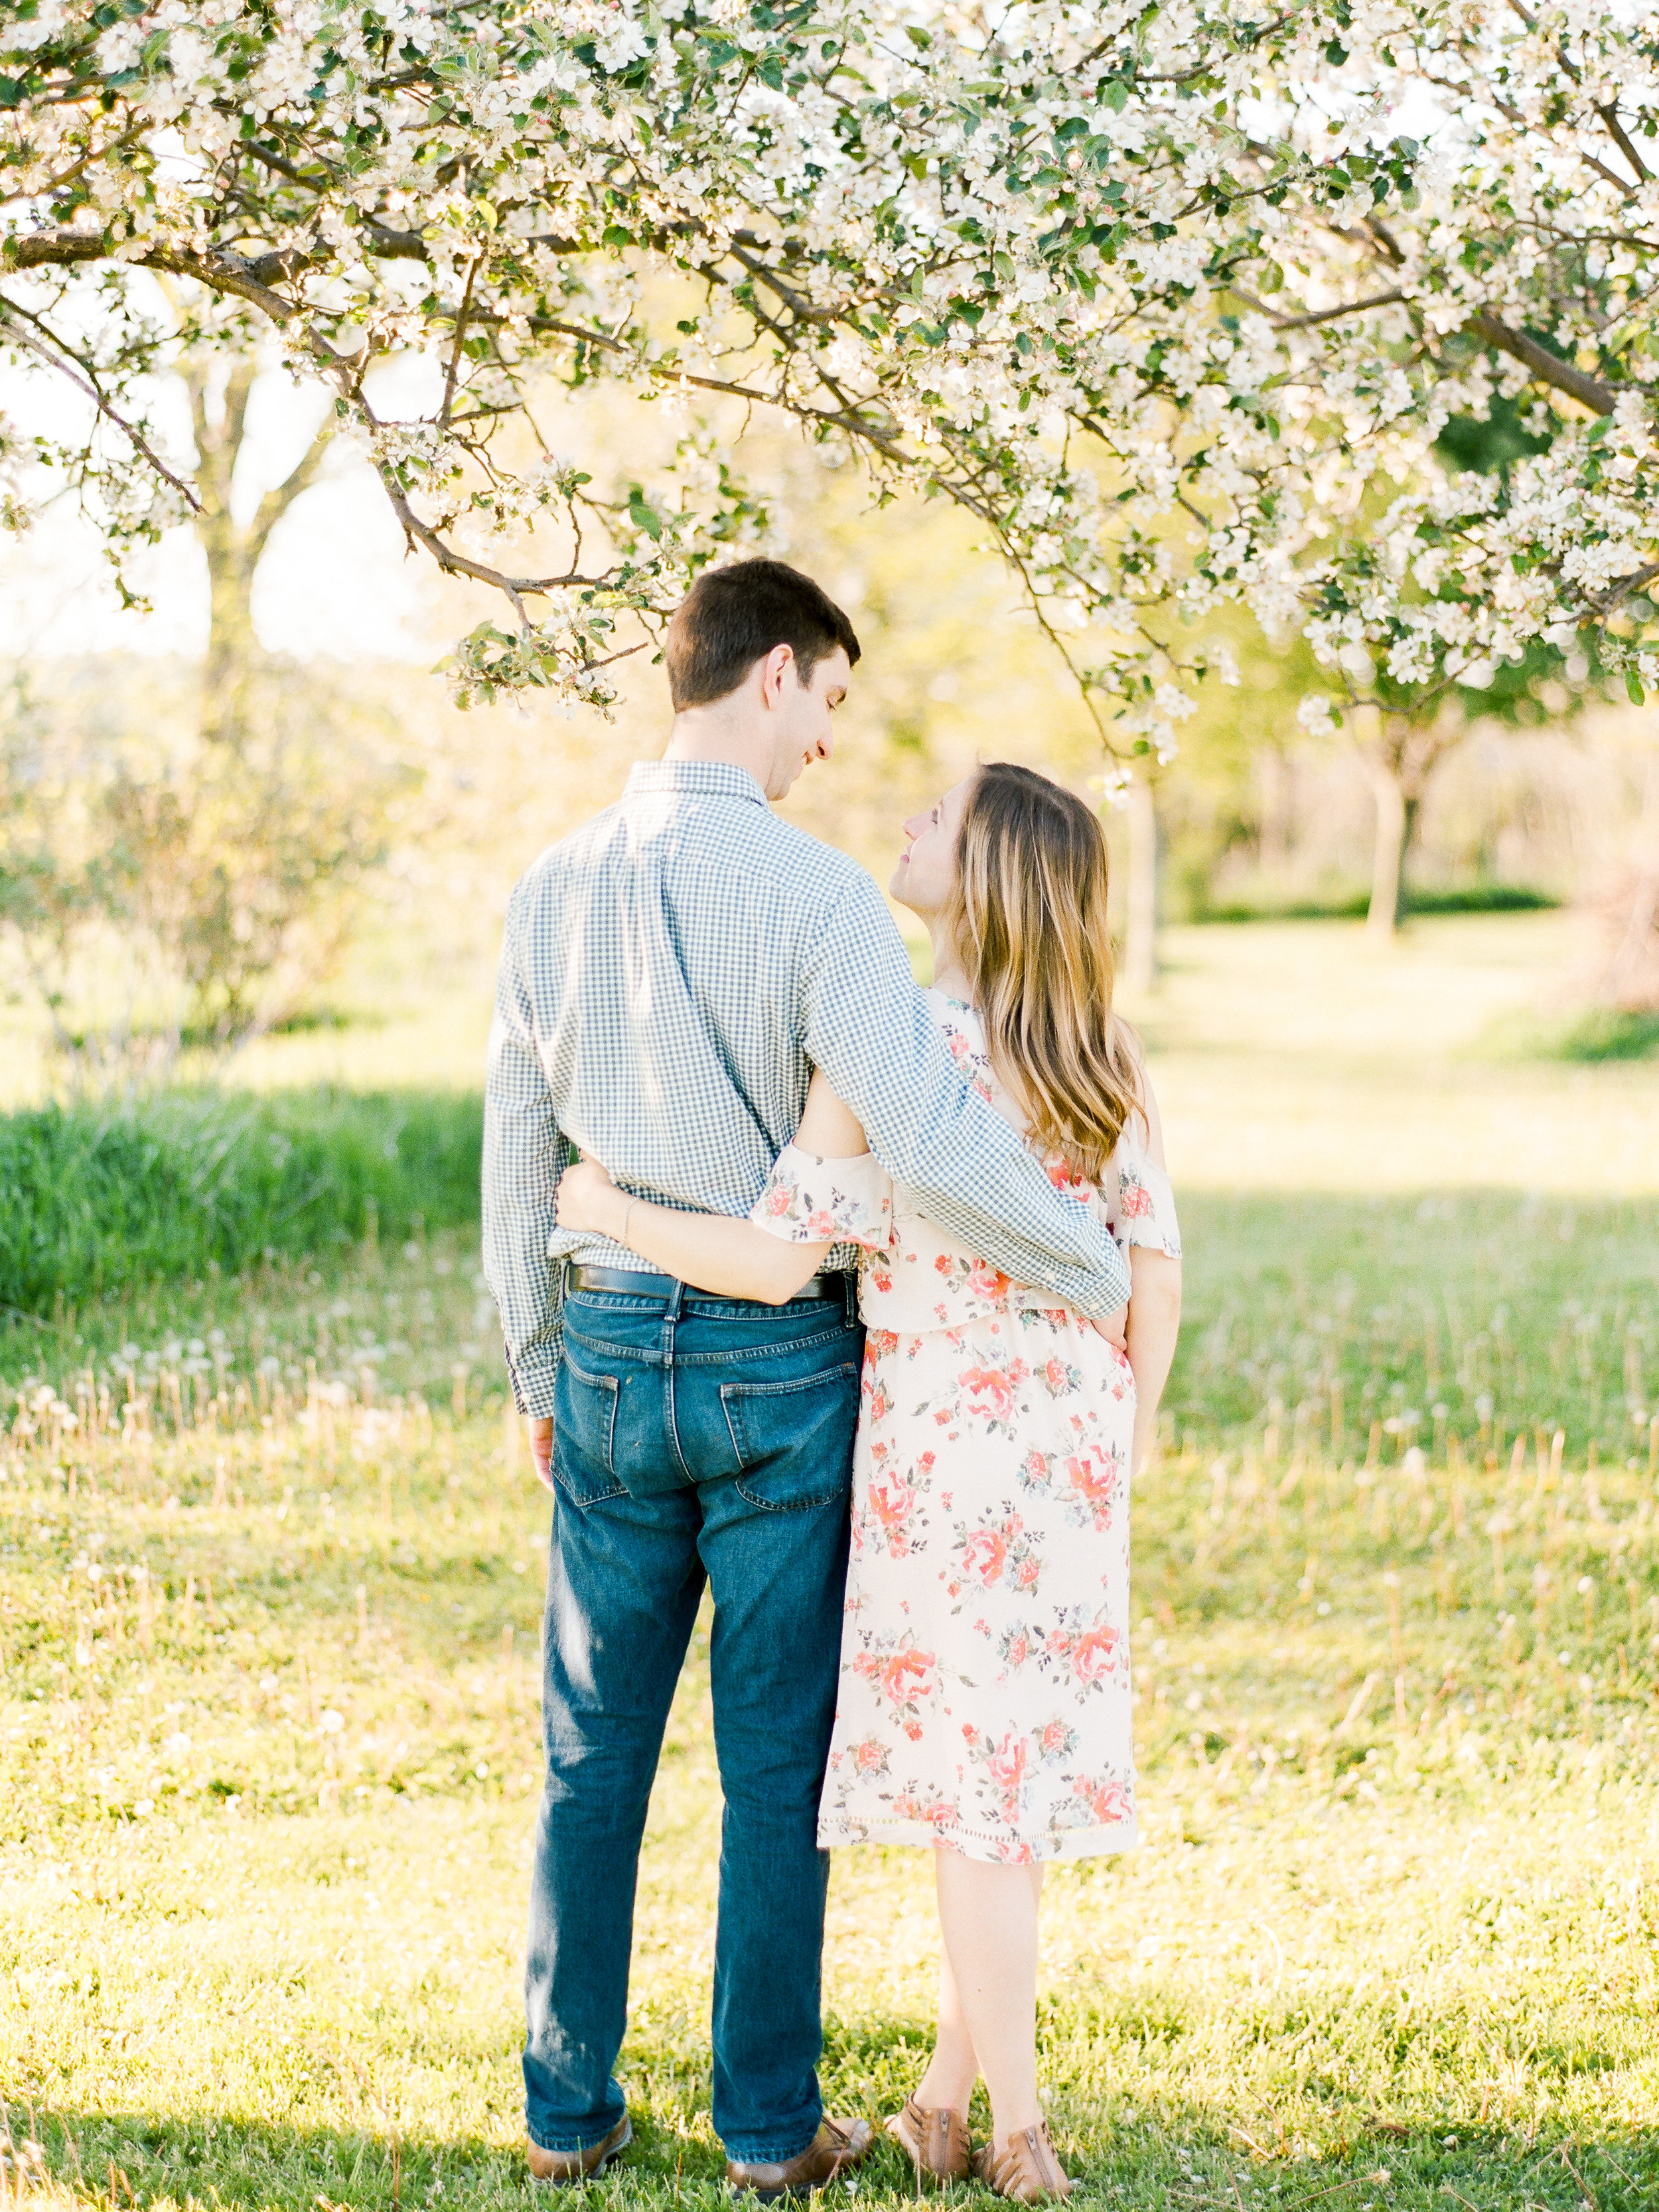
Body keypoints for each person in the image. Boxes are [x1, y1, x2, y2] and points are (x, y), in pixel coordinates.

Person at [481, 561, 1133, 2197]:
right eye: (831, 701)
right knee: (773, 1760)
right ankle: (767, 2126)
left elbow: (513, 1148)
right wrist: (1086, 1263)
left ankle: (568, 2110)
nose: (833, 743)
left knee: (588, 1748)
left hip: (617, 1340)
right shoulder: (825, 895)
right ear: (772, 675)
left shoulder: (547, 885)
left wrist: (532, 1354)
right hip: (780, 1360)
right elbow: (920, 1137)